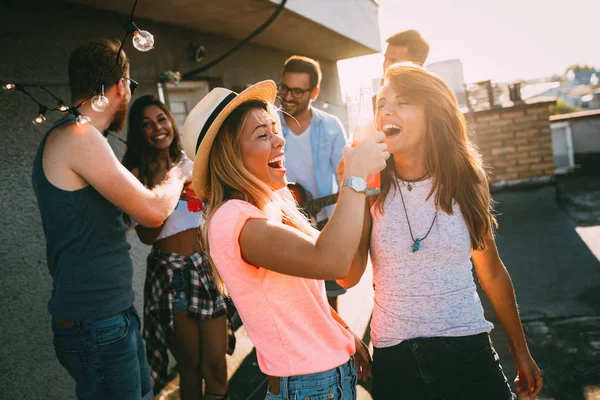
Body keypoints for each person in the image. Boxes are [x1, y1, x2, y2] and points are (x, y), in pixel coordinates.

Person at [337, 63, 543, 399]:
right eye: (381, 104)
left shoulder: (468, 179)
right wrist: (352, 187)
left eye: (401, 101)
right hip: (396, 360)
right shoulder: (369, 183)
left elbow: (490, 271)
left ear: (432, 112)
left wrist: (520, 351)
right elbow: (346, 277)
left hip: (470, 350)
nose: (386, 110)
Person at [181, 80, 389, 399]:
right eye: (262, 135)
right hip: (311, 387)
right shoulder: (232, 219)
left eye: (275, 129)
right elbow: (329, 260)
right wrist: (354, 181)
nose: (279, 140)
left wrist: (341, 332)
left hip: (329, 378)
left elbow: (345, 272)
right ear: (229, 156)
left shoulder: (270, 209)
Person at [31, 39, 192, 400]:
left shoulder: (84, 137)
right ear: (121, 86)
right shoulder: (78, 136)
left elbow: (107, 223)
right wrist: (180, 173)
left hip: (109, 317)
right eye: (129, 86)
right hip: (96, 323)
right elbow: (153, 210)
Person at [122, 95, 231, 399]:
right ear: (138, 132)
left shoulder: (191, 163)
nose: (157, 128)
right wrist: (169, 195)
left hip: (205, 268)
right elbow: (145, 236)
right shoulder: (137, 175)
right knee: (191, 367)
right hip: (169, 275)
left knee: (217, 368)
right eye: (146, 124)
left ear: (170, 121)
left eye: (161, 119)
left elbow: (216, 210)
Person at [278, 55, 348, 310]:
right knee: (290, 302)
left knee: (328, 303)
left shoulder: (330, 126)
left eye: (297, 91)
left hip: (323, 225)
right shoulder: (268, 124)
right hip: (281, 226)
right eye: (284, 88)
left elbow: (347, 178)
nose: (287, 96)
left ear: (314, 92)